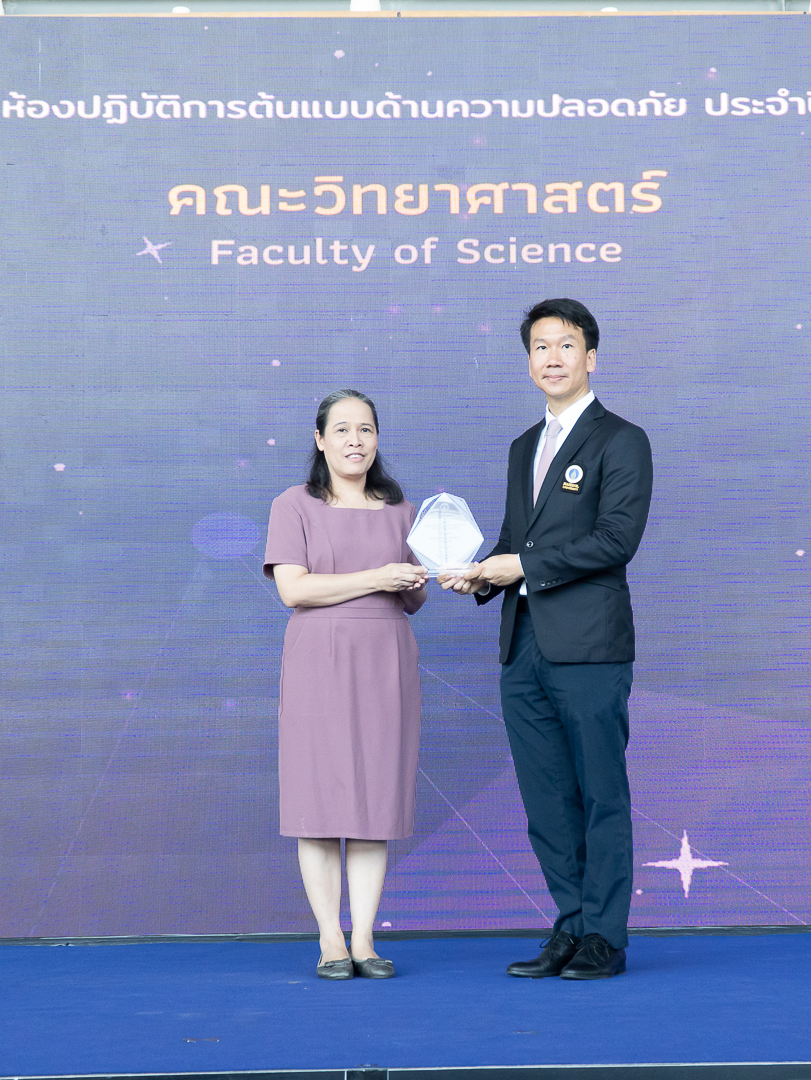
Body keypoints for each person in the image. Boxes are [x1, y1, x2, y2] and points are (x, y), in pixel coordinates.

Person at [440, 299, 653, 980]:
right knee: (546, 800)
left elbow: (616, 540)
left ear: (591, 356)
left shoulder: (622, 439)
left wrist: (523, 569)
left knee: (600, 794)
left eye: (565, 345)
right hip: (523, 644)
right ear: (527, 361)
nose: (552, 358)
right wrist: (480, 577)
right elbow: (517, 539)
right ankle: (570, 925)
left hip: (589, 646)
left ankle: (604, 937)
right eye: (540, 347)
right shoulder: (522, 447)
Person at [264, 389, 429, 980]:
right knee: (317, 804)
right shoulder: (293, 504)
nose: (355, 440)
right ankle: (329, 938)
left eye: (366, 429)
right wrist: (378, 576)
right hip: (318, 659)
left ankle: (364, 939)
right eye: (341, 429)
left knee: (372, 804)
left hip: (385, 660)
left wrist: (432, 573)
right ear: (320, 440)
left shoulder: (402, 510)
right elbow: (294, 589)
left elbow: (413, 599)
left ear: (377, 438)